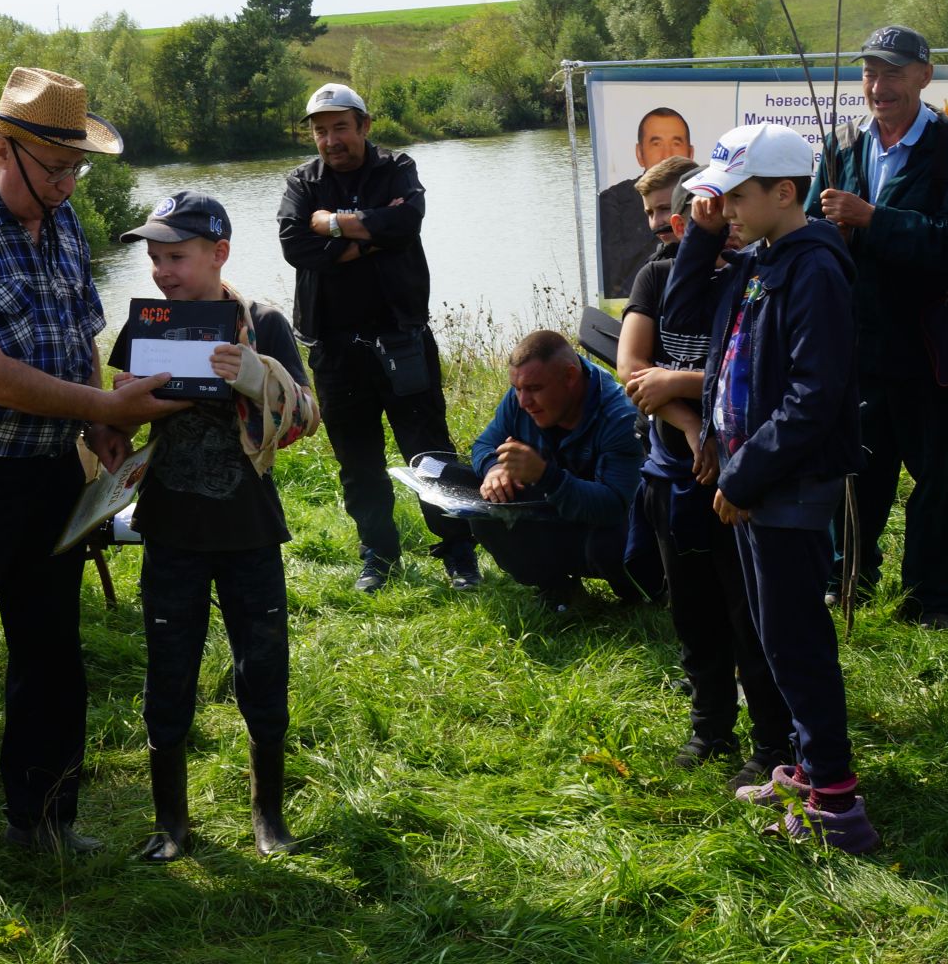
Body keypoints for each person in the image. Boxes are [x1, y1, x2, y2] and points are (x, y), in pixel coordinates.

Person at [0, 67, 183, 877]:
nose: (65, 186)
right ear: (2, 148)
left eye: (73, 170)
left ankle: (47, 817)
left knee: (52, 650)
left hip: (48, 470)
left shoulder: (56, 216)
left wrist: (98, 417)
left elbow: (76, 333)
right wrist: (103, 407)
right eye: (53, 169)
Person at [661, 122, 875, 854]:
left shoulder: (812, 267)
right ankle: (808, 770)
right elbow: (683, 313)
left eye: (736, 195)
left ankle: (838, 805)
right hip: (756, 483)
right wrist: (702, 226)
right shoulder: (761, 257)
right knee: (776, 635)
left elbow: (816, 396)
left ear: (786, 192)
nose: (725, 208)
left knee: (795, 641)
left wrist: (745, 474)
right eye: (717, 198)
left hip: (783, 484)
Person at [106, 191, 320, 863]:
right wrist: (133, 417)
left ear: (218, 253)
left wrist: (260, 379)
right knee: (168, 674)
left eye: (176, 257)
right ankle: (171, 823)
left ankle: (269, 818)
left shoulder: (262, 320)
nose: (162, 271)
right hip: (168, 531)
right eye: (154, 258)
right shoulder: (149, 324)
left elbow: (308, 416)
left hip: (251, 532)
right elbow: (115, 410)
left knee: (265, 671)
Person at [808, 25, 948, 630]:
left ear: (923, 76)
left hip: (936, 349)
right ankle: (847, 577)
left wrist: (872, 219)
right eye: (868, 72)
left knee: (939, 481)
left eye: (891, 72)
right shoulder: (842, 145)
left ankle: (935, 601)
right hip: (860, 346)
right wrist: (825, 237)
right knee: (856, 473)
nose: (877, 86)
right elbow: (809, 230)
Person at [619, 163, 792, 788]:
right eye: (668, 213)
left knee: (750, 613)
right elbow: (632, 370)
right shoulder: (658, 275)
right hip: (674, 471)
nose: (673, 223)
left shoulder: (757, 275)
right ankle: (709, 724)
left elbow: (758, 368)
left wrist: (679, 382)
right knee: (693, 611)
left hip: (740, 474)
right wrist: (692, 427)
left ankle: (774, 735)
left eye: (687, 208)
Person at [276, 81, 481, 593]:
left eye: (340, 128)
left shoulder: (397, 168)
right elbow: (294, 246)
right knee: (357, 460)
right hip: (334, 347)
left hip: (401, 336)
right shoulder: (302, 182)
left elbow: (406, 221)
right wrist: (368, 238)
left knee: (430, 451)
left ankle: (458, 554)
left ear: (364, 126)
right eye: (320, 131)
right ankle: (379, 555)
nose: (330, 140)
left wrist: (333, 225)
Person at [443, 329, 650, 612]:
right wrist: (494, 468)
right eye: (517, 388)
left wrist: (545, 476)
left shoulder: (619, 416)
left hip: (610, 528)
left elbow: (614, 506)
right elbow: (484, 443)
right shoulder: (521, 397)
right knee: (486, 512)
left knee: (610, 546)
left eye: (535, 389)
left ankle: (637, 592)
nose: (523, 401)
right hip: (554, 512)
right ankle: (555, 586)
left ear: (569, 376)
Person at [597, 107, 695, 297]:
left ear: (690, 152)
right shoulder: (613, 201)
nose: (666, 154)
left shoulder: (726, 259)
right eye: (656, 144)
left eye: (676, 143)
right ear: (639, 153)